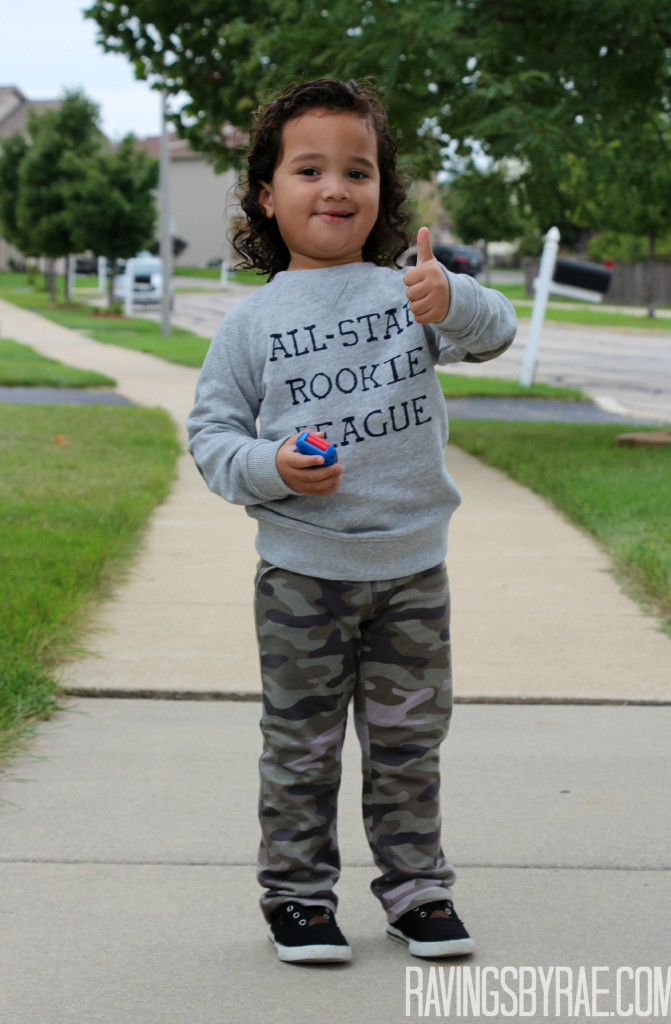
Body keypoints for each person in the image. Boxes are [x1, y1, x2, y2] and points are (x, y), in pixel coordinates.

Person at [187, 78, 516, 965]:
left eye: (358, 170)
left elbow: (496, 332)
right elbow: (212, 436)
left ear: (381, 191)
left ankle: (417, 893)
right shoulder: (250, 324)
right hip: (303, 573)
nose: (336, 188)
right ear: (266, 191)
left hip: (412, 570)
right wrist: (272, 468)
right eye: (310, 169)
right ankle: (297, 898)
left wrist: (455, 298)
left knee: (410, 742)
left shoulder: (408, 291)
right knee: (303, 744)